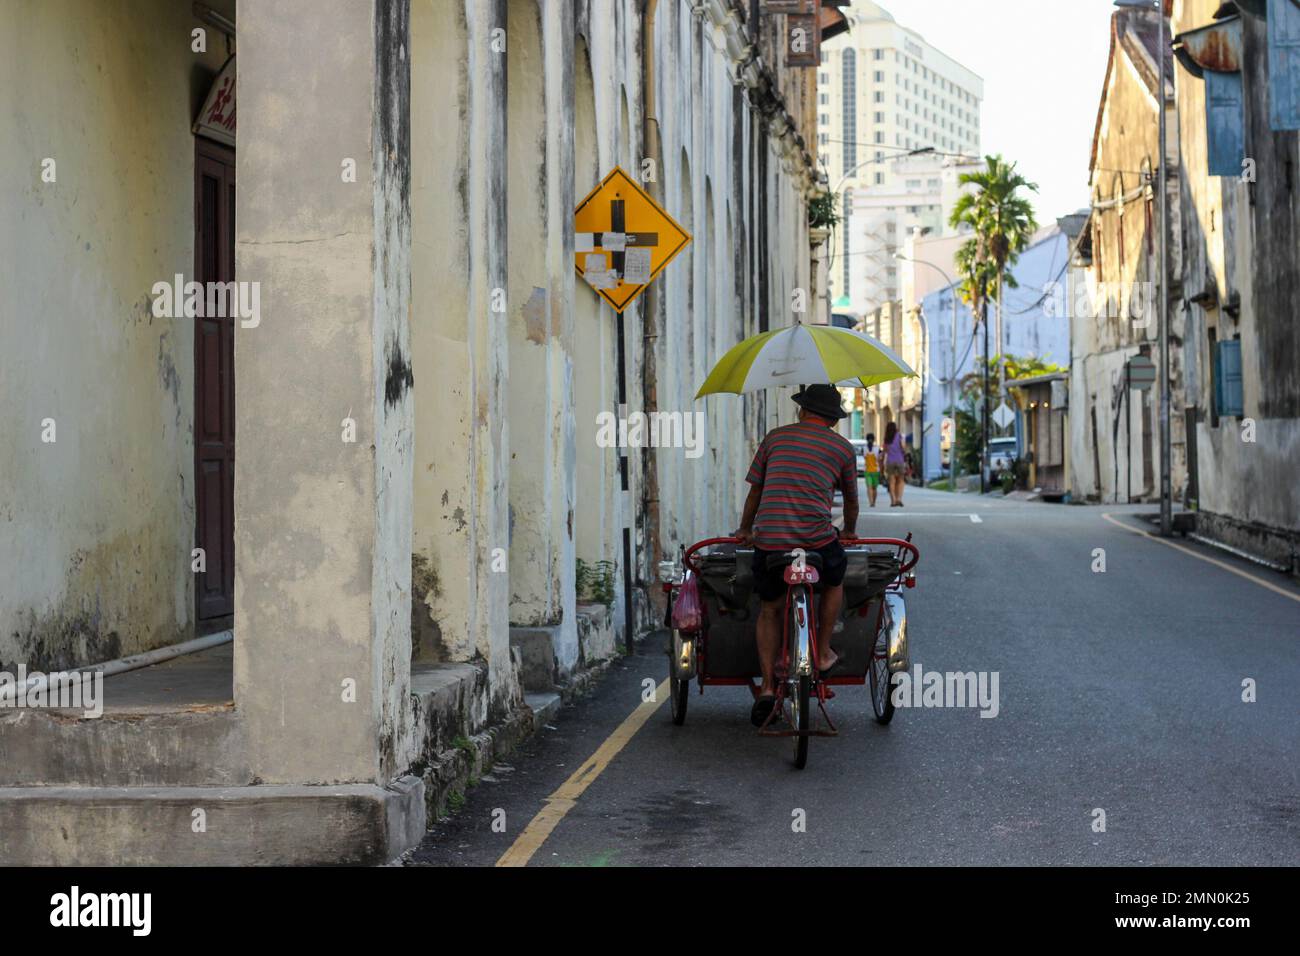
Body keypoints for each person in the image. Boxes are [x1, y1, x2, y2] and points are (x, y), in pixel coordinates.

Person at [735, 384, 858, 728]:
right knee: (834, 582)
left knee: (770, 607)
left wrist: (745, 529)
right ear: (834, 420)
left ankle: (768, 688)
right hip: (817, 542)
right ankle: (821, 652)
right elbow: (850, 500)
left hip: (772, 541)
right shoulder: (843, 449)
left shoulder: (775, 438)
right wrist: (848, 530)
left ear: (802, 410)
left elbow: (756, 492)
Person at [883, 420, 907, 507]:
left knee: (892, 481)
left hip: (890, 461)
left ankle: (893, 501)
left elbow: (885, 450)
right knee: (900, 480)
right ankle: (899, 499)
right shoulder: (900, 436)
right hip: (900, 461)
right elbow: (903, 448)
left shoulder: (886, 438)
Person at [863, 433, 882, 508]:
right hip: (876, 471)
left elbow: (864, 457)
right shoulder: (878, 449)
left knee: (869, 487)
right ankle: (873, 501)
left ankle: (871, 502)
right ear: (874, 440)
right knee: (874, 488)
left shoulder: (864, 449)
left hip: (867, 471)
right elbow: (880, 460)